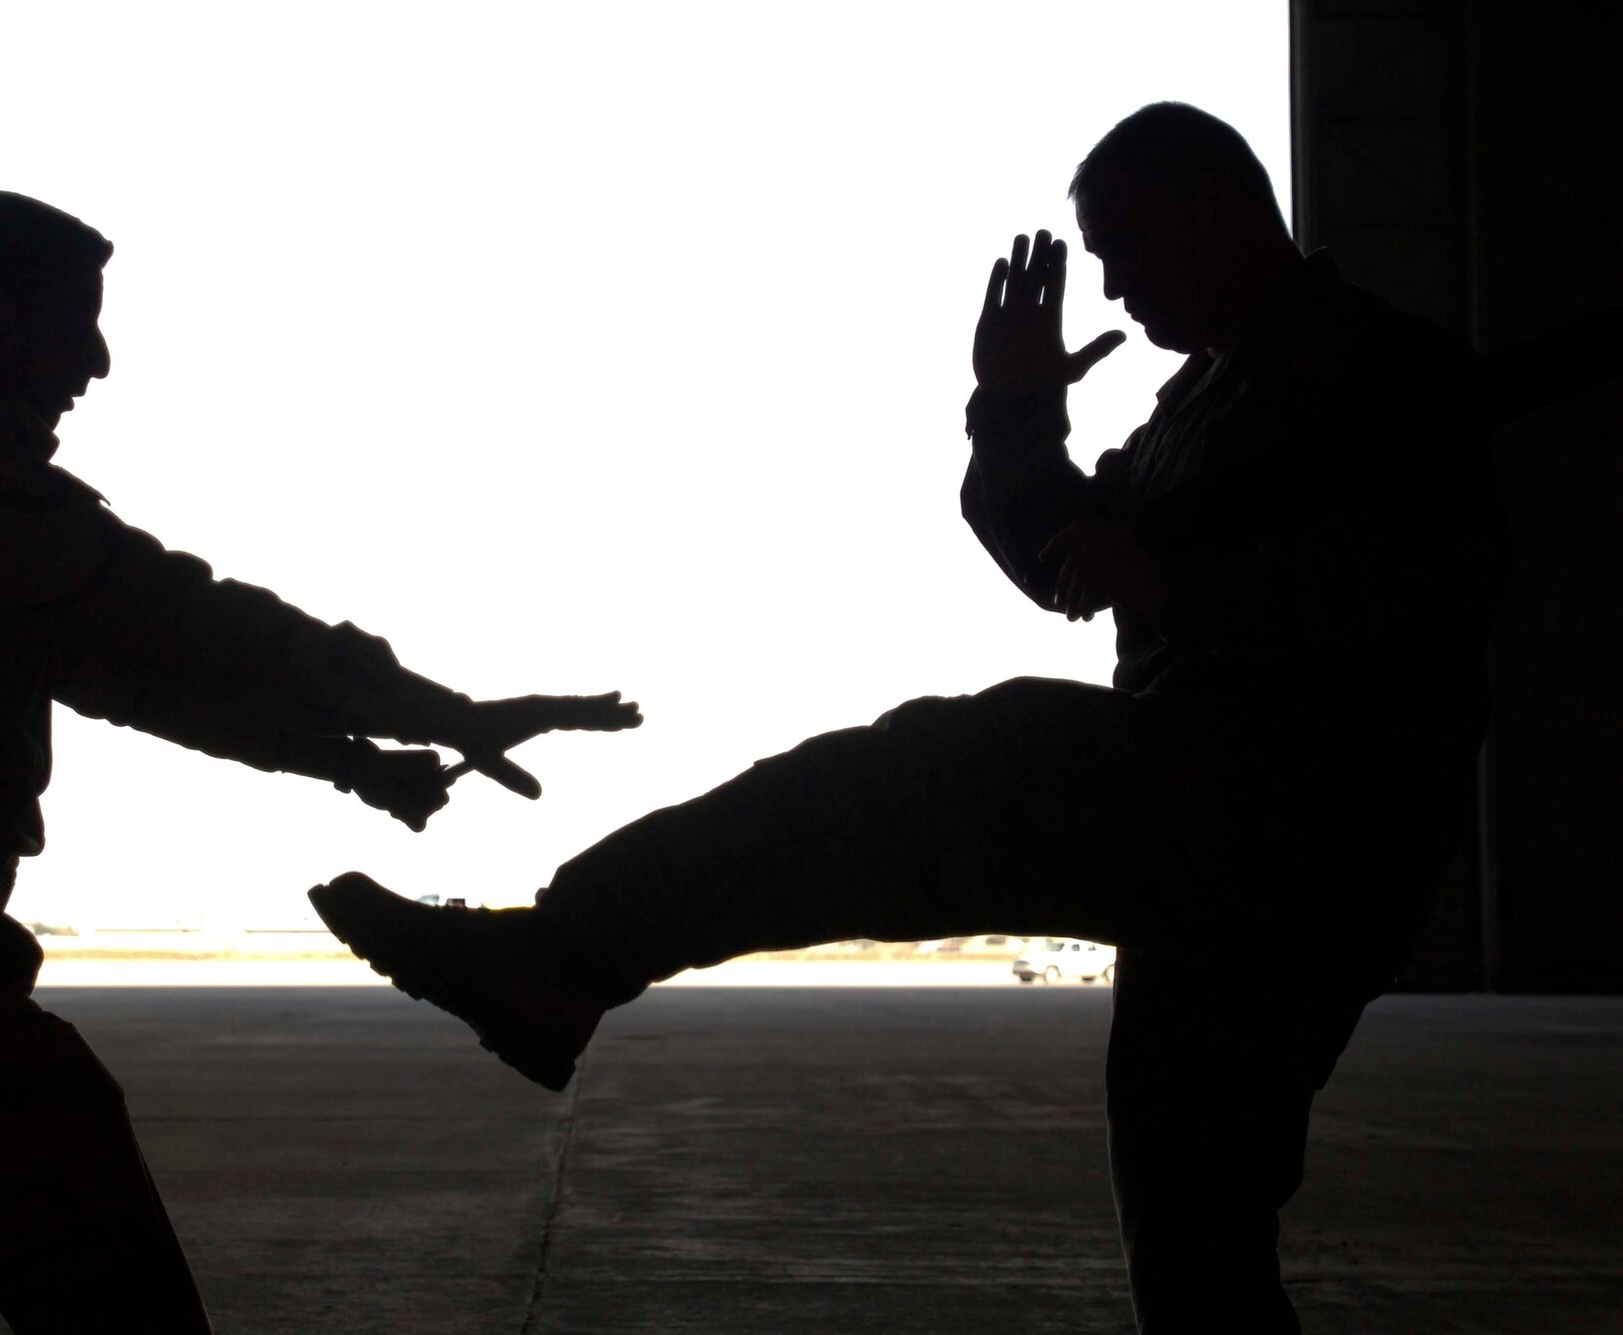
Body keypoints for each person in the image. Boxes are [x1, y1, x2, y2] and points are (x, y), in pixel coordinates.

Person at [309, 103, 1506, 1333]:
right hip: (1223, 844)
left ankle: (567, 958)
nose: (1113, 288)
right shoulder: (1209, 397)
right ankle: (564, 964)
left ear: (1215, 208)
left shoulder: (1378, 371)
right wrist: (1015, 409)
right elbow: (1065, 561)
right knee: (1192, 1212)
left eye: (1129, 250)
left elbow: (1425, 598)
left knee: (937, 773)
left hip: (1291, 813)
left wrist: (1180, 590)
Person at [0, 190, 639, 1334]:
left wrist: (350, 762)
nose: (95, 360)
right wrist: (441, 710)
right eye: (74, 321)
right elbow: (185, 625)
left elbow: (137, 678)